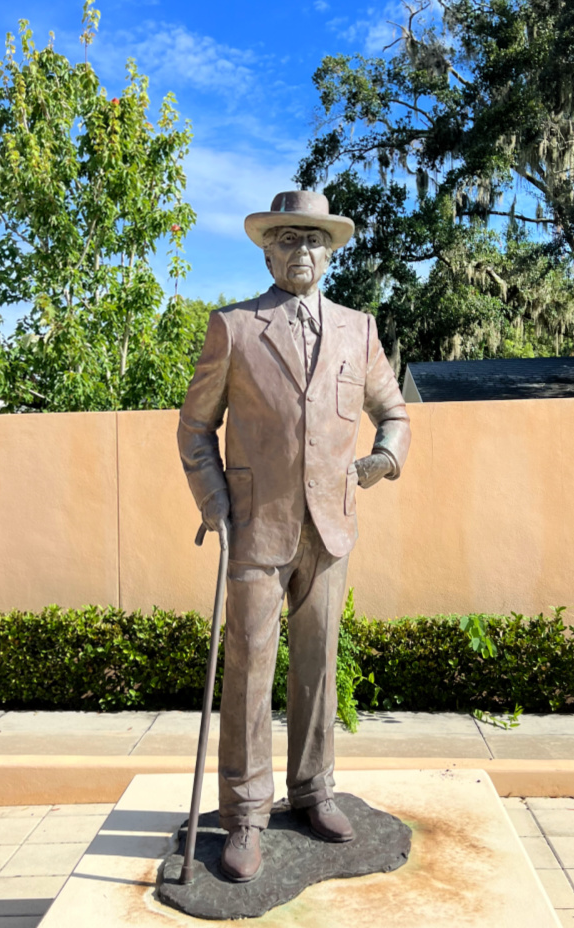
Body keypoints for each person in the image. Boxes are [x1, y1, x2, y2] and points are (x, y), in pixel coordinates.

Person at [177, 190, 410, 882]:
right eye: (285, 240)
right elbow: (195, 429)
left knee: (319, 665)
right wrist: (215, 502)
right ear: (266, 249)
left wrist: (387, 456)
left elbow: (393, 411)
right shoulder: (234, 328)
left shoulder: (358, 328)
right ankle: (245, 814)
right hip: (255, 526)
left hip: (331, 526)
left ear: (330, 252)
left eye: (312, 240)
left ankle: (313, 791)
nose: (299, 251)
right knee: (248, 669)